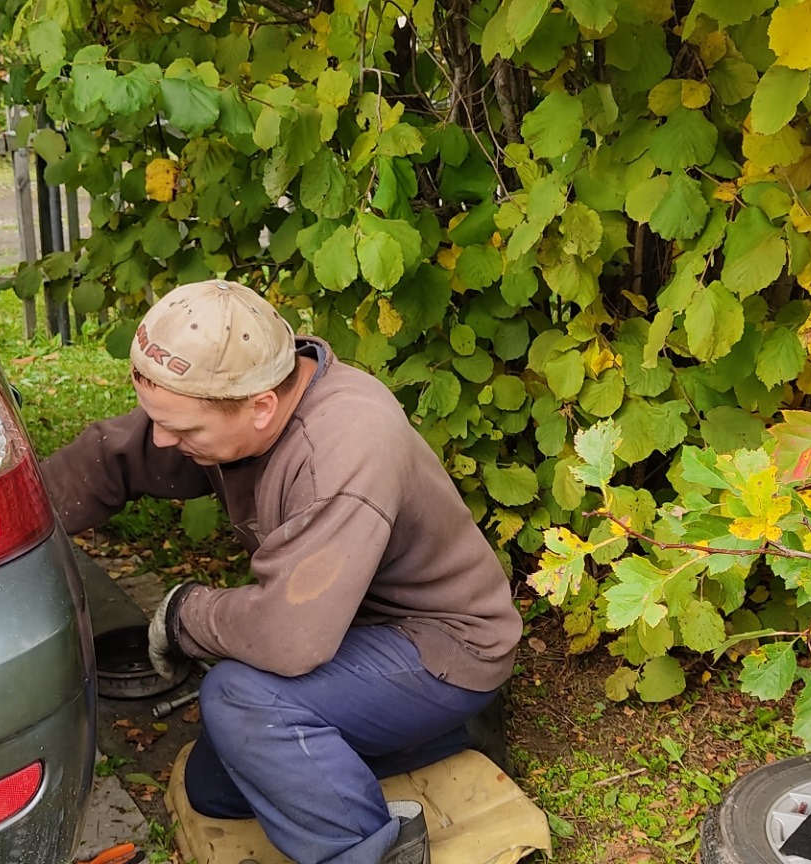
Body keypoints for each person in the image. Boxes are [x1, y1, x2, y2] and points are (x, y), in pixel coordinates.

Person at [41, 280, 521, 864]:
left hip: (439, 646)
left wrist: (185, 613)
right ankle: (447, 737)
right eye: (159, 418)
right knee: (215, 789)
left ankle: (370, 851)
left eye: (184, 430)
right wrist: (13, 520)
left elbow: (289, 638)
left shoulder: (339, 447)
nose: (164, 439)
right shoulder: (238, 401)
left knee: (241, 700)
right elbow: (114, 455)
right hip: (353, 632)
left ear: (260, 407)